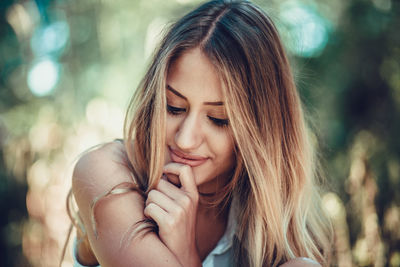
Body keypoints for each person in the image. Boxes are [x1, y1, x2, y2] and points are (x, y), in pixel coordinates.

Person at [67, 0, 333, 266]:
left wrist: (186, 254)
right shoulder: (107, 174)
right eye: (174, 107)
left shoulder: (282, 225)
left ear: (260, 130)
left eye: (218, 119)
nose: (185, 139)